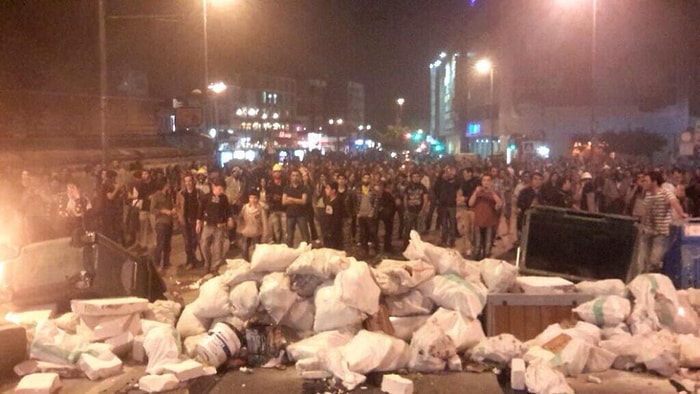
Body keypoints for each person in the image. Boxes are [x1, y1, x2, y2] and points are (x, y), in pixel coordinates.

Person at [636, 170, 687, 275]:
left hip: (661, 233)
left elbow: (674, 202)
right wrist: (642, 226)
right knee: (643, 260)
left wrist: (681, 214)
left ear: (654, 182)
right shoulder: (648, 195)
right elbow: (645, 212)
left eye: (646, 181)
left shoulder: (665, 193)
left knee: (654, 260)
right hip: (648, 232)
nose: (644, 183)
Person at [197, 177, 233, 274]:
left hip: (219, 226)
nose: (221, 191)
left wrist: (229, 219)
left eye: (222, 189)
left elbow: (228, 210)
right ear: (214, 187)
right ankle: (207, 263)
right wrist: (198, 222)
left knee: (218, 247)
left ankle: (215, 267)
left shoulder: (224, 198)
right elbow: (200, 210)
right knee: (204, 245)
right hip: (207, 225)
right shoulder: (206, 197)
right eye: (219, 189)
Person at [469, 174, 502, 260]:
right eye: (484, 180)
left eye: (488, 180)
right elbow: (470, 203)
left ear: (491, 182)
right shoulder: (478, 193)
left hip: (489, 224)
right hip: (478, 223)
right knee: (477, 247)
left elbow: (499, 204)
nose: (486, 182)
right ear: (481, 182)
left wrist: (492, 193)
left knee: (487, 249)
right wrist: (476, 192)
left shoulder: (494, 194)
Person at [176, 174, 203, 270]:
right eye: (186, 181)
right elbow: (178, 207)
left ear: (193, 181)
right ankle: (190, 261)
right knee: (187, 242)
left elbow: (202, 206)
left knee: (195, 241)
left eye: (190, 181)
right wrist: (180, 217)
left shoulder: (198, 193)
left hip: (196, 221)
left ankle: (192, 259)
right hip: (185, 221)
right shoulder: (181, 194)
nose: (188, 183)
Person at [150, 178, 175, 272]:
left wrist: (173, 211)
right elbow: (152, 209)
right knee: (160, 243)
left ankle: (166, 263)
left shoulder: (169, 195)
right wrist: (163, 211)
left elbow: (171, 206)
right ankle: (157, 264)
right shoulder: (156, 196)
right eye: (167, 184)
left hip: (169, 221)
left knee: (167, 244)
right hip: (161, 222)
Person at [283, 169, 310, 247]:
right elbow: (284, 201)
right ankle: (289, 253)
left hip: (301, 215)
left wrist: (291, 199)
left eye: (297, 175)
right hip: (290, 215)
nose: (295, 177)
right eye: (293, 175)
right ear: (290, 177)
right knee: (289, 237)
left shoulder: (304, 188)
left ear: (300, 177)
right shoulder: (286, 188)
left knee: (305, 237)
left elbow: (304, 202)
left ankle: (307, 252)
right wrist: (298, 200)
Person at [402, 170, 428, 248]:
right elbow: (405, 198)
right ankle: (406, 246)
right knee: (408, 229)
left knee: (418, 230)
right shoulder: (408, 187)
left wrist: (422, 210)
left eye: (417, 177)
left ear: (419, 178)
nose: (415, 178)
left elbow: (425, 199)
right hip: (410, 211)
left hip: (419, 210)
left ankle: (417, 247)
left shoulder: (423, 187)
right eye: (414, 177)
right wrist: (406, 209)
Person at [355, 173, 380, 256]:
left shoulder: (373, 190)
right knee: (363, 233)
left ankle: (375, 249)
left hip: (370, 215)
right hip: (361, 215)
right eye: (364, 178)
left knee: (372, 232)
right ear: (362, 179)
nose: (366, 179)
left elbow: (376, 202)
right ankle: (364, 250)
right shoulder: (358, 190)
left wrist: (373, 212)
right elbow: (354, 202)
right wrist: (357, 212)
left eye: (368, 178)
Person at [238, 189, 265, 261]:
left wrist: (265, 233)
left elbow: (264, 222)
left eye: (255, 198)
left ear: (258, 199)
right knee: (244, 248)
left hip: (257, 232)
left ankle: (255, 262)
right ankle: (245, 261)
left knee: (256, 249)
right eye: (251, 197)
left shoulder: (260, 209)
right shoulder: (245, 207)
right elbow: (240, 218)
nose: (252, 200)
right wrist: (240, 228)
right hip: (246, 231)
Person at [266, 164, 286, 244]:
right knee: (276, 230)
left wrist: (281, 197)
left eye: (278, 172)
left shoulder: (285, 183)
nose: (277, 174)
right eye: (275, 172)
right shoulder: (269, 183)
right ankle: (278, 244)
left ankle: (285, 245)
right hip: (274, 209)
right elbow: (267, 196)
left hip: (283, 209)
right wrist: (273, 197)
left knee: (285, 230)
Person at [321, 180, 344, 250]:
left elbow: (337, 219)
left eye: (328, 188)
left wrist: (331, 231)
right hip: (327, 230)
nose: (325, 190)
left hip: (334, 233)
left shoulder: (337, 202)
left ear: (333, 190)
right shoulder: (328, 200)